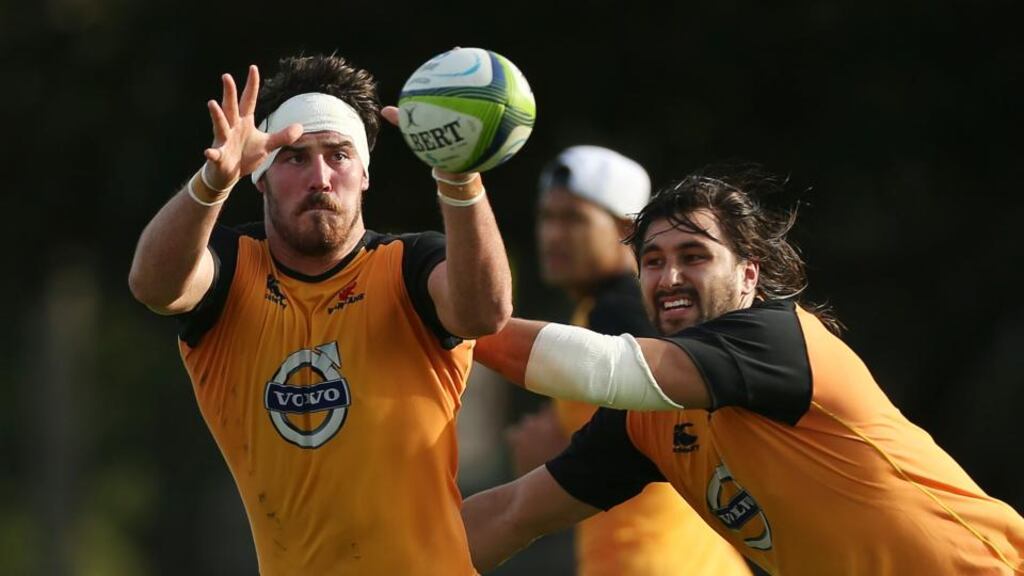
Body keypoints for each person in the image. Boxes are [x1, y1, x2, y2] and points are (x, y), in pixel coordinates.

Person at [463, 169, 1024, 575]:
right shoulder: (647, 422)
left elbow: (611, 367)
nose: (670, 276)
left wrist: (455, 321)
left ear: (750, 276)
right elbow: (511, 514)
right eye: (653, 262)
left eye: (695, 255)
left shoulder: (776, 337)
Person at [128, 55, 512, 575]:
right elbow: (154, 286)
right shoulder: (232, 269)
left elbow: (485, 313)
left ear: (365, 174)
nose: (321, 177)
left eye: (339, 155)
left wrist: (459, 179)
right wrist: (211, 183)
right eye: (294, 158)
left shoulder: (409, 266)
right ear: (260, 177)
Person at [504, 145, 750, 575]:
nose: (552, 235)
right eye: (547, 218)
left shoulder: (620, 311)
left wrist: (558, 460)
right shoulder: (605, 308)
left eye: (574, 219)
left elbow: (679, 432)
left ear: (627, 230)